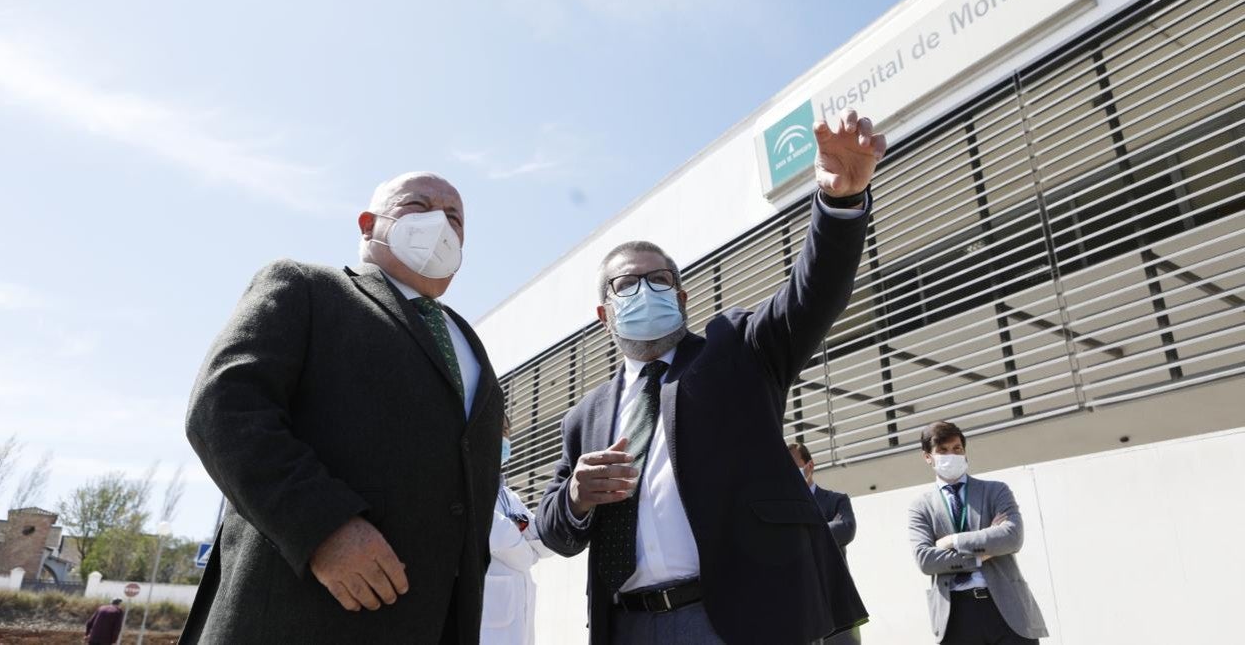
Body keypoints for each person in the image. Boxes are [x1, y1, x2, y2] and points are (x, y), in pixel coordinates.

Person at [537, 109, 883, 644]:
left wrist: (839, 204)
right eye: (628, 284)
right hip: (627, 624)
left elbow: (811, 296)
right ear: (605, 313)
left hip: (730, 620)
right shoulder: (586, 417)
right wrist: (578, 497)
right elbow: (553, 532)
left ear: (681, 298)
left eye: (660, 281)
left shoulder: (738, 350)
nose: (646, 290)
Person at [182, 172, 505, 644]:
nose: (439, 223)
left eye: (454, 217)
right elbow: (225, 408)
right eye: (418, 206)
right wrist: (321, 528)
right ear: (368, 224)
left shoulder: (469, 345)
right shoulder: (307, 288)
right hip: (299, 620)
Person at [907, 421, 1047, 644]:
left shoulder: (996, 491)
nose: (951, 455)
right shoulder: (921, 507)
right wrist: (979, 556)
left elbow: (1012, 537)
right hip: (955, 616)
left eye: (957, 449)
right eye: (942, 450)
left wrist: (952, 540)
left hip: (1007, 609)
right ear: (927, 457)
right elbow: (926, 560)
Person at [481, 419, 555, 645]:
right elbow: (494, 530)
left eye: (507, 432)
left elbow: (543, 540)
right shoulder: (472, 487)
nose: (505, 438)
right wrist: (524, 549)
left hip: (519, 629)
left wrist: (519, 535)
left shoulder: (509, 496)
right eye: (499, 430)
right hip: (487, 629)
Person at [789, 442, 860, 645]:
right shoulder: (784, 511)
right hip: (802, 606)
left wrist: (801, 533)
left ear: (809, 466)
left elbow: (845, 529)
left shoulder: (836, 500)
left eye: (794, 465)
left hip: (837, 600)